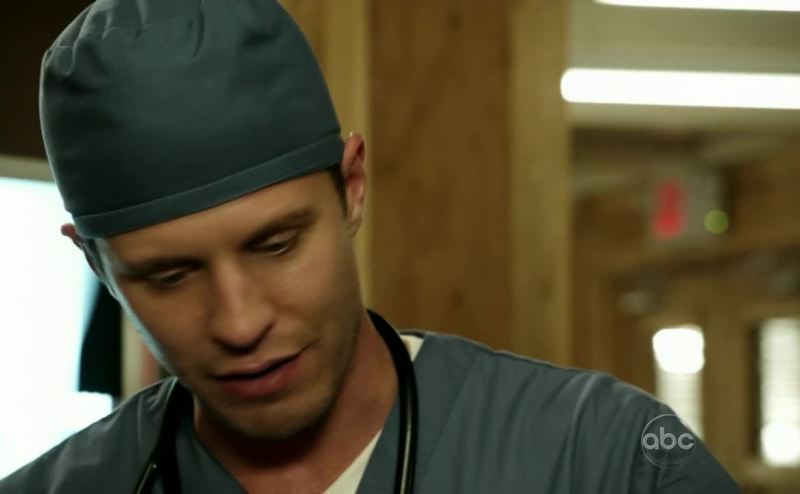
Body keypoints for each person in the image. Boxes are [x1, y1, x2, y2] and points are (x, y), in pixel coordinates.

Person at [0, 0, 740, 492]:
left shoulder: (606, 457)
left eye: (276, 245)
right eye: (170, 276)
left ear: (352, 188)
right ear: (97, 265)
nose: (239, 322)